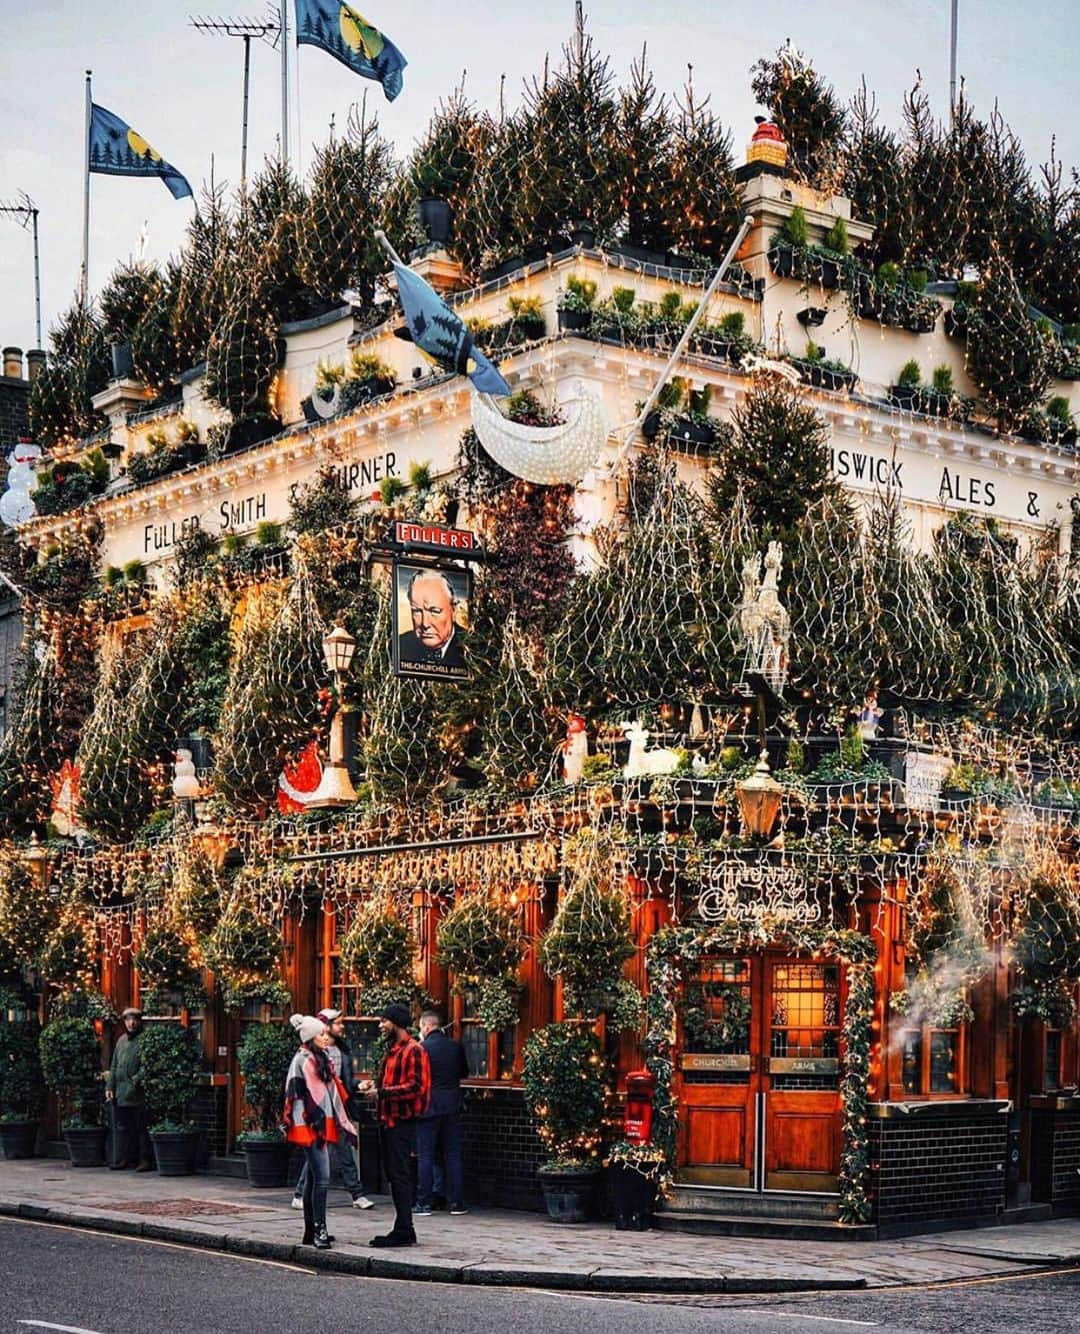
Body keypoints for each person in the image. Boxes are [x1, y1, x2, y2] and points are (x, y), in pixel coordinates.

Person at [283, 1014, 357, 1250]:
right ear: (310, 1037)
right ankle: (320, 1231)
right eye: (321, 1034)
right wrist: (310, 1123)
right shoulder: (302, 1061)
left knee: (314, 1179)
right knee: (323, 1179)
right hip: (311, 1125)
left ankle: (310, 1230)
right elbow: (300, 1098)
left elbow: (331, 1093)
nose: (326, 1037)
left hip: (321, 1123)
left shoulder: (321, 1058)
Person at [291, 1008, 374, 1212]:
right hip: (318, 1112)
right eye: (337, 1023)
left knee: (343, 1150)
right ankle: (302, 1195)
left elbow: (341, 1080)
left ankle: (357, 1193)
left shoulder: (340, 1051)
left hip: (337, 1109)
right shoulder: (308, 1055)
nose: (341, 1026)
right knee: (317, 1154)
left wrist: (356, 1085)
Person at [363, 1003, 430, 1248]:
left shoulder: (413, 1050)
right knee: (394, 1175)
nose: (380, 1026)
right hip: (389, 1120)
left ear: (397, 1023)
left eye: (384, 1021)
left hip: (402, 1121)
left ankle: (404, 1229)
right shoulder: (393, 1050)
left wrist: (382, 1093)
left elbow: (416, 1087)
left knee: (400, 1175)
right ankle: (404, 1227)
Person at [415, 1011, 469, 1217]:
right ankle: (456, 1203)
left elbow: (417, 1078)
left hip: (429, 1107)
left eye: (421, 1027)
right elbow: (464, 1072)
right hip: (453, 1106)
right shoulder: (456, 1046)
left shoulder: (421, 1049)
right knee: (453, 1155)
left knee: (426, 1155)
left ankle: (424, 1202)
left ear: (426, 1027)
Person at [105, 1007, 152, 1172]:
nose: (131, 1023)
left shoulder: (145, 1040)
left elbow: (148, 1065)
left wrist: (136, 1080)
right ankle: (123, 1158)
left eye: (135, 1020)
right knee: (123, 1128)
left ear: (140, 1021)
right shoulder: (121, 1040)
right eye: (128, 1020)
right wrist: (109, 1086)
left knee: (140, 1128)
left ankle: (144, 1160)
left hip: (138, 1093)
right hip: (120, 1091)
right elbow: (114, 1064)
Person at [397, 570, 467, 669]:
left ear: (454, 610)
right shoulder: (399, 646)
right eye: (417, 611)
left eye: (434, 611)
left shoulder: (474, 650)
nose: (425, 624)